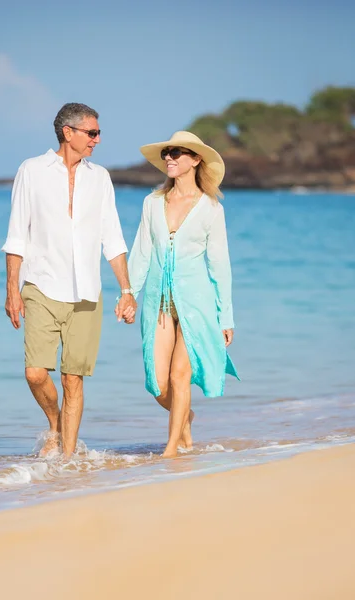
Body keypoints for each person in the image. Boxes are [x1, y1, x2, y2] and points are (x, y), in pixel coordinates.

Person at [2, 103, 136, 459]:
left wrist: (126, 291)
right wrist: (11, 290)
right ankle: (54, 422)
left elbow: (114, 238)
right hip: (42, 285)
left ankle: (67, 461)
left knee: (72, 379)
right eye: (92, 133)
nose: (97, 139)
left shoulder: (100, 177)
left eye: (98, 133)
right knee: (35, 373)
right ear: (68, 132)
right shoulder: (31, 171)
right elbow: (16, 236)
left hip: (87, 292)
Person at [127, 131, 239, 458]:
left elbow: (220, 265)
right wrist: (128, 293)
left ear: (196, 159)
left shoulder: (210, 208)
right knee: (159, 384)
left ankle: (171, 450)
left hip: (197, 305)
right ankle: (185, 416)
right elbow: (141, 253)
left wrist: (226, 316)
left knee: (180, 376)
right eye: (167, 153)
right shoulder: (152, 203)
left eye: (178, 152)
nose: (170, 158)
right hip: (158, 304)